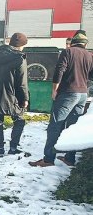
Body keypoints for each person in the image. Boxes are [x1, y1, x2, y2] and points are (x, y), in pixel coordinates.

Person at [30, 31, 93, 167]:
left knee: (55, 126)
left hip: (68, 93)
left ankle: (48, 159)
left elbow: (59, 70)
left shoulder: (68, 52)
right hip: (83, 94)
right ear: (85, 44)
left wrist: (55, 89)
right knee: (72, 127)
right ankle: (70, 158)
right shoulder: (90, 55)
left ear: (73, 42)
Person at [0, 32, 29, 156]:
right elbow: (21, 83)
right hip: (11, 96)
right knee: (19, 120)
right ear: (21, 46)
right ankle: (13, 147)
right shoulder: (20, 59)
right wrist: (24, 98)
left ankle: (0, 148)